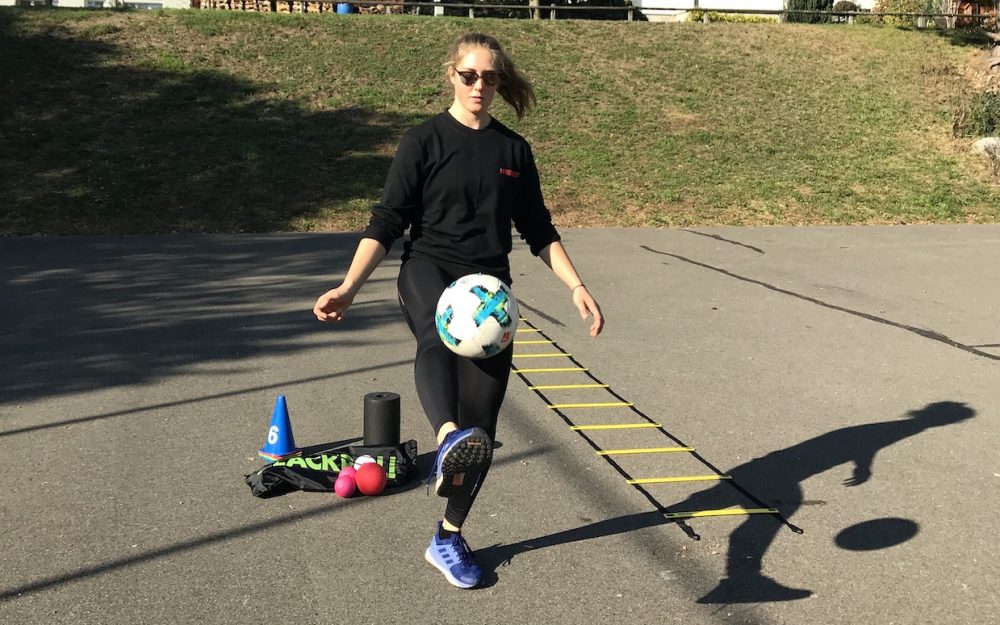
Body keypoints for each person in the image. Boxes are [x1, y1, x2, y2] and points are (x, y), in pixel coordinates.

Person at [313, 32, 604, 589]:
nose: (479, 85)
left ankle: (447, 536)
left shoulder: (513, 150)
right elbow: (387, 220)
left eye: (489, 77)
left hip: (491, 291)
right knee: (433, 337)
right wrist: (349, 286)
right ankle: (445, 434)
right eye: (469, 75)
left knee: (483, 432)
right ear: (451, 74)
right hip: (430, 269)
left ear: (499, 81)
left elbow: (538, 228)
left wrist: (576, 285)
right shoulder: (423, 140)